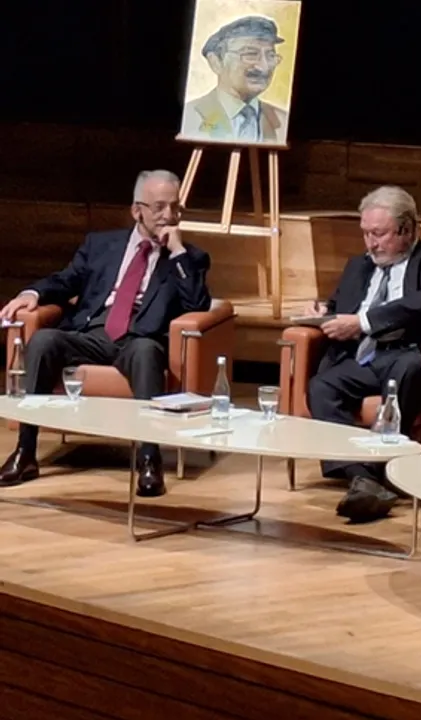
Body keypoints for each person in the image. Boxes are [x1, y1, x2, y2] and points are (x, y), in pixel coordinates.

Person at [0, 170, 212, 497]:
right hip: (92, 333)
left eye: (175, 207)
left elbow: (197, 304)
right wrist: (33, 293)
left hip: (140, 338)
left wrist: (178, 252)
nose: (168, 215)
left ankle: (149, 459)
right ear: (137, 210)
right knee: (43, 340)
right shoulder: (100, 245)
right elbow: (66, 280)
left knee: (145, 351)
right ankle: (26, 452)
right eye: (159, 207)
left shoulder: (189, 257)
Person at [298, 185, 421, 523]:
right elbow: (341, 304)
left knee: (409, 368)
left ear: (408, 229)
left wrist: (363, 322)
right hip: (364, 358)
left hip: (407, 352)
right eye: (366, 233)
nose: (371, 243)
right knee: (321, 387)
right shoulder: (358, 265)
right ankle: (365, 477)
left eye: (379, 234)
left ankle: (372, 475)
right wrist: (323, 311)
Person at [181, 16, 290, 144]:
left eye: (271, 56)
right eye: (250, 54)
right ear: (216, 62)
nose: (263, 67)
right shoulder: (188, 117)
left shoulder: (283, 121)